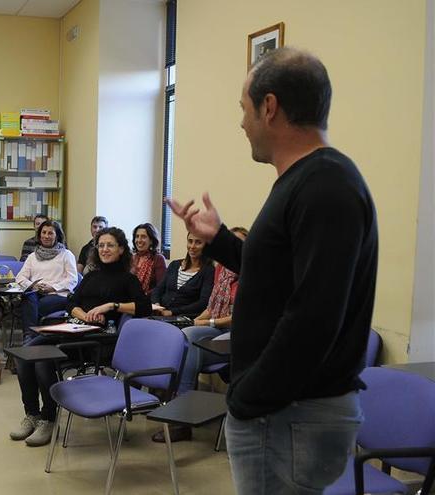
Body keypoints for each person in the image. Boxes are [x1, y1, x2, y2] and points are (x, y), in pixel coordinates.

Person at [168, 47, 377, 494]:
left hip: (289, 412)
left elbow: (313, 317)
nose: (241, 123)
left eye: (244, 109)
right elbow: (277, 277)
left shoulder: (326, 186)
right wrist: (219, 238)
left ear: (269, 107)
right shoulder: (306, 180)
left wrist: (246, 399)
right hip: (282, 409)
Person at [11, 227, 152, 447]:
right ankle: (32, 415)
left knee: (42, 361)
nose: (104, 249)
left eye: (110, 245)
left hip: (96, 341)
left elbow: (144, 307)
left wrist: (110, 306)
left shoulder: (127, 279)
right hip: (73, 328)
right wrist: (82, 314)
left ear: (122, 249)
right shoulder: (91, 276)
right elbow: (71, 302)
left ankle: (49, 418)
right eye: (101, 245)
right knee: (23, 355)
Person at [152, 226, 248, 443]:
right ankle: (179, 407)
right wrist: (196, 320)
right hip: (215, 326)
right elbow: (212, 306)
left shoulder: (250, 274)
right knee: (185, 335)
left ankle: (180, 413)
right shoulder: (221, 270)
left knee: (190, 345)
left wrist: (206, 321)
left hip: (237, 331)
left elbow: (239, 317)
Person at [15, 220, 78, 344]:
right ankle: (32, 337)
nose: (46, 236)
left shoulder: (66, 254)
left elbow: (72, 279)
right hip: (36, 294)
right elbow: (20, 278)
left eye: (50, 233)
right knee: (29, 297)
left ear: (57, 236)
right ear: (39, 235)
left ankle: (30, 337)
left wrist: (52, 287)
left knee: (31, 307)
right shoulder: (32, 256)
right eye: (43, 232)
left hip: (58, 295)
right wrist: (33, 285)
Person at [150, 232, 215, 316]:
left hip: (183, 318)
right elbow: (158, 289)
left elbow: (203, 303)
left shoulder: (209, 271)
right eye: (190, 241)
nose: (192, 246)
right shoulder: (174, 265)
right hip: (160, 313)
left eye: (198, 242)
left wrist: (172, 312)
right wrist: (157, 304)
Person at [129, 223, 167, 295]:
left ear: (151, 240)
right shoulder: (131, 258)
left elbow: (161, 287)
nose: (139, 240)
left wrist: (143, 295)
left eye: (143, 237)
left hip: (148, 300)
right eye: (137, 236)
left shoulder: (158, 259)